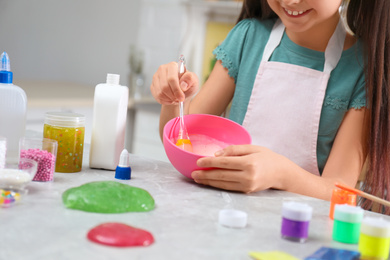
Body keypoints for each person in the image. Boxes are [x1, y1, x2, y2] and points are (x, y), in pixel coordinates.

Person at [150, 0, 390, 214]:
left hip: (297, 229)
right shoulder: (248, 38)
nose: (291, 1)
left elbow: (339, 191)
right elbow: (182, 141)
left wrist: (278, 172)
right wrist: (173, 100)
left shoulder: (363, 67)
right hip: (223, 215)